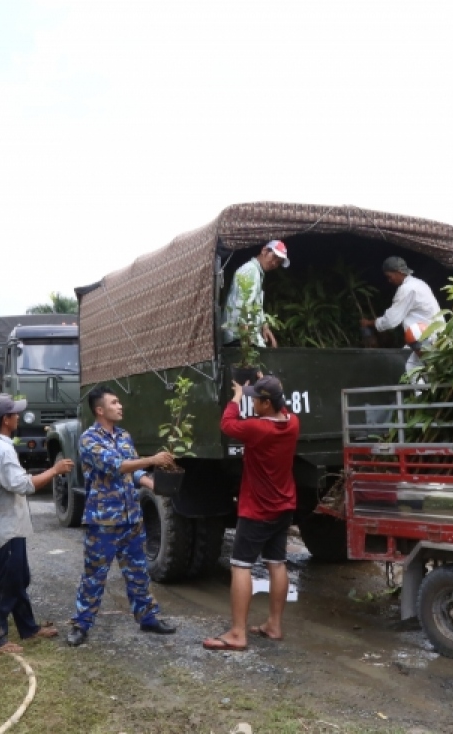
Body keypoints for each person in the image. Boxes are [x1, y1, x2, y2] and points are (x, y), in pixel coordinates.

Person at [67, 386, 179, 647]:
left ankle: (148, 617)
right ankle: (81, 625)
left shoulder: (124, 436)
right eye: (114, 402)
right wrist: (152, 459)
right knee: (94, 575)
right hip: (103, 521)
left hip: (131, 518)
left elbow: (134, 472)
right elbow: (117, 466)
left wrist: (155, 485)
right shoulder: (89, 439)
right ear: (100, 410)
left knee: (138, 572)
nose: (120, 406)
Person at [203, 375, 300, 651]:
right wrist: (267, 383)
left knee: (241, 566)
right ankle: (274, 625)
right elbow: (280, 405)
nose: (252, 401)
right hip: (284, 505)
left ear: (267, 404)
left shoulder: (259, 429)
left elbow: (227, 425)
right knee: (277, 563)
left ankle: (237, 633)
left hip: (258, 508)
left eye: (256, 398)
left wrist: (234, 399)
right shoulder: (292, 422)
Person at [0, 393, 75, 656]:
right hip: (5, 526)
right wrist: (55, 470)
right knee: (5, 584)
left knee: (19, 579)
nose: (18, 416)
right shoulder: (2, 448)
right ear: (6, 420)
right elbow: (22, 484)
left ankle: (28, 628)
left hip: (4, 522)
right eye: (15, 413)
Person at [362, 256, 442, 374]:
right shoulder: (419, 283)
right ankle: (423, 391)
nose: (389, 280)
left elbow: (391, 321)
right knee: (421, 370)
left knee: (408, 366)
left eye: (389, 276)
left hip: (426, 337)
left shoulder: (407, 289)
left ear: (398, 272)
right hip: (436, 335)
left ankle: (420, 392)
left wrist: (369, 323)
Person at [222, 240, 290, 348]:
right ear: (264, 251)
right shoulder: (250, 270)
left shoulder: (257, 272)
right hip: (238, 337)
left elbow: (255, 305)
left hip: (243, 336)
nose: (274, 263)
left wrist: (265, 327)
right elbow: (244, 304)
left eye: (278, 262)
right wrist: (246, 337)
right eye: (274, 257)